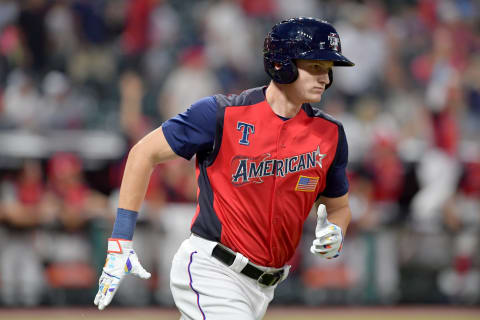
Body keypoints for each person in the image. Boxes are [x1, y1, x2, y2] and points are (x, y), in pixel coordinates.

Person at [94, 17, 354, 319]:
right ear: (283, 63)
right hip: (212, 270)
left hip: (264, 288)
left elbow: (339, 206)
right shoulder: (221, 114)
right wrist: (121, 239)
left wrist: (336, 230)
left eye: (328, 69)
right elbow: (142, 153)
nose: (326, 78)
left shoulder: (330, 133)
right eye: (316, 66)